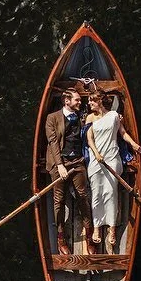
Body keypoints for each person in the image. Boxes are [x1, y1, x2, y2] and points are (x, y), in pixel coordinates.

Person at [83, 88, 141, 254]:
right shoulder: (90, 117)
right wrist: (96, 154)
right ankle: (96, 227)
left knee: (110, 193)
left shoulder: (114, 116)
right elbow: (89, 139)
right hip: (97, 160)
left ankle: (112, 228)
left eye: (91, 101)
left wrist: (133, 144)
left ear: (100, 101)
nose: (89, 104)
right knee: (96, 193)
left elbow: (122, 133)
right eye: (88, 101)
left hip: (112, 158)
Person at [43, 86, 91, 256]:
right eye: (77, 100)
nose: (80, 102)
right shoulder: (52, 118)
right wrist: (60, 165)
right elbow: (53, 142)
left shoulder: (81, 116)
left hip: (77, 161)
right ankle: (61, 238)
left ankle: (89, 237)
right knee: (59, 200)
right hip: (59, 164)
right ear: (66, 101)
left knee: (83, 197)